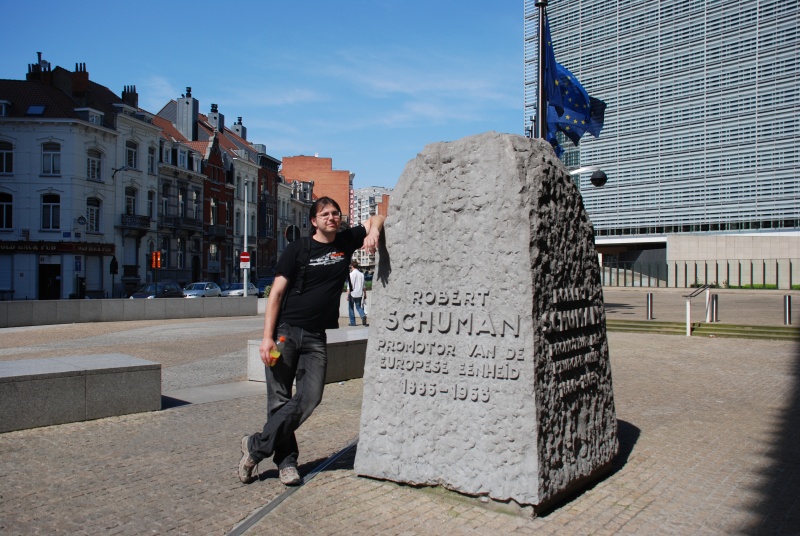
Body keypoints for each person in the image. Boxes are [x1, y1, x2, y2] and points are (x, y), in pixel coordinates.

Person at [239, 196, 385, 485]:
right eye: (325, 214)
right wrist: (267, 338)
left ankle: (255, 445)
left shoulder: (345, 242)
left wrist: (374, 232)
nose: (332, 217)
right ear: (313, 221)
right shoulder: (298, 248)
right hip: (286, 332)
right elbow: (276, 294)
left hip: (316, 336)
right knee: (279, 399)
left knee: (311, 396)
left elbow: (377, 217)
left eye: (335, 213)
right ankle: (286, 463)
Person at [347, 260, 368, 326]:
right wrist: (365, 294)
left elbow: (349, 286)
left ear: (352, 266)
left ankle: (353, 323)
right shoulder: (362, 274)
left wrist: (347, 295)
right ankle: (363, 315)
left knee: (351, 308)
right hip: (359, 293)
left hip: (352, 293)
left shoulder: (351, 274)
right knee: (358, 307)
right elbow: (364, 285)